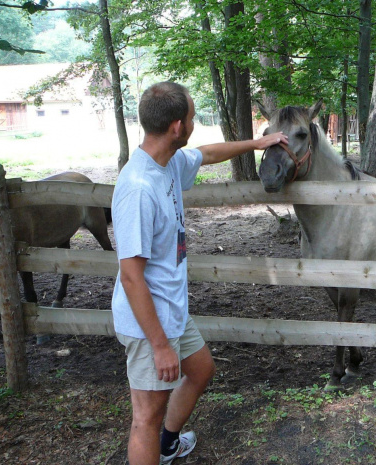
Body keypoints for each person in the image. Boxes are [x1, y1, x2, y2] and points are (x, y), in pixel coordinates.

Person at [111, 81, 288, 465]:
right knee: (145, 418)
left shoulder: (168, 161)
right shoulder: (139, 187)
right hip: (149, 324)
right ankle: (157, 444)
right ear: (177, 126)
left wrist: (256, 144)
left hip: (171, 310)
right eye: (192, 117)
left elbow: (207, 154)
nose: (194, 124)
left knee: (201, 369)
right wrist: (159, 346)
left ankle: (169, 444)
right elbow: (130, 277)